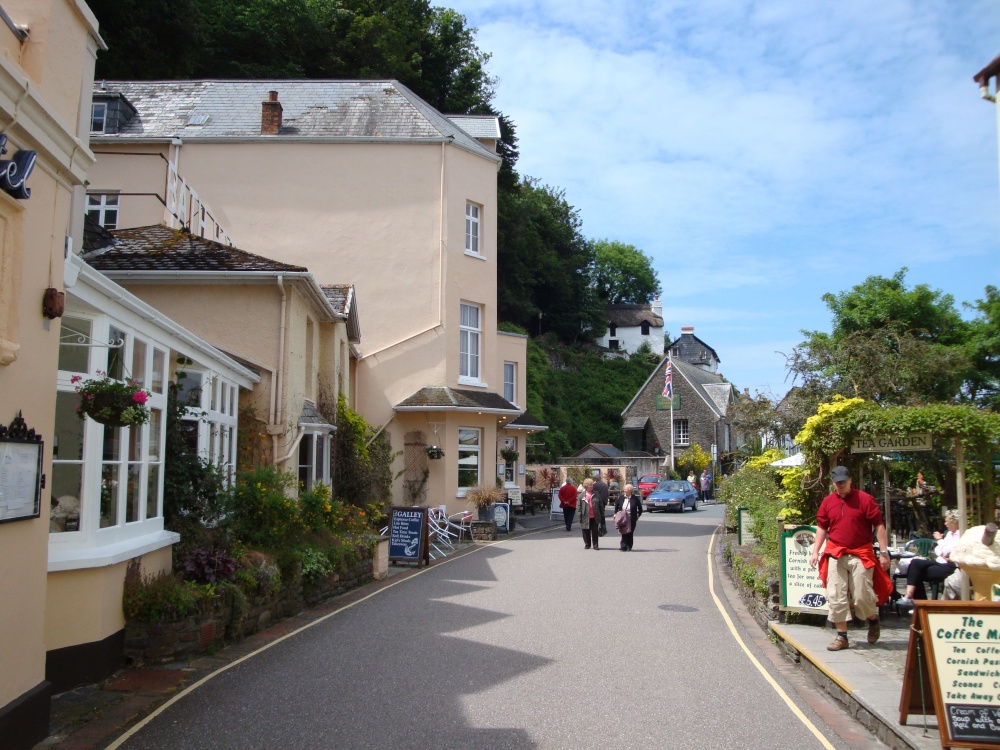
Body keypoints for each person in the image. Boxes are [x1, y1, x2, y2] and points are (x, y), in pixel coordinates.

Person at [808, 466, 893, 651]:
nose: (841, 485)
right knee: (835, 594)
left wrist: (884, 552)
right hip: (836, 552)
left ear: (850, 480)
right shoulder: (828, 502)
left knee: (862, 595)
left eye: (844, 482)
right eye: (838, 483)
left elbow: (878, 525)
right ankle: (842, 637)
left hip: (860, 552)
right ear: (833, 483)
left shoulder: (865, 499)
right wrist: (815, 551)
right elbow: (822, 527)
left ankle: (872, 619)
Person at [897, 510, 961, 608]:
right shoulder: (949, 534)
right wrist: (943, 551)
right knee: (915, 564)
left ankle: (917, 603)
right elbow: (937, 550)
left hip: (951, 567)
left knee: (916, 572)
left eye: (947, 521)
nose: (945, 524)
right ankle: (915, 600)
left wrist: (940, 540)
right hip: (941, 562)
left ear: (955, 522)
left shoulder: (960, 534)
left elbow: (946, 550)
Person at [615, 483, 643, 551]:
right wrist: (615, 514)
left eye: (626, 489)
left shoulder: (635, 498)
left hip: (631, 517)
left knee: (630, 532)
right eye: (624, 489)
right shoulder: (621, 497)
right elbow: (616, 506)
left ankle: (629, 546)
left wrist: (638, 515)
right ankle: (623, 546)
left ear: (630, 490)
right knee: (623, 531)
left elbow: (640, 508)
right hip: (623, 518)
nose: (625, 490)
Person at [578, 478, 601, 550]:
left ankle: (595, 545)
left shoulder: (596, 494)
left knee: (595, 531)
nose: (591, 486)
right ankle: (587, 544)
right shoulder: (581, 496)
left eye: (592, 485)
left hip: (595, 515)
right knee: (585, 531)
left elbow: (600, 505)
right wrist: (579, 516)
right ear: (586, 486)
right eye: (590, 485)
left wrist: (602, 514)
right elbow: (579, 507)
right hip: (585, 516)